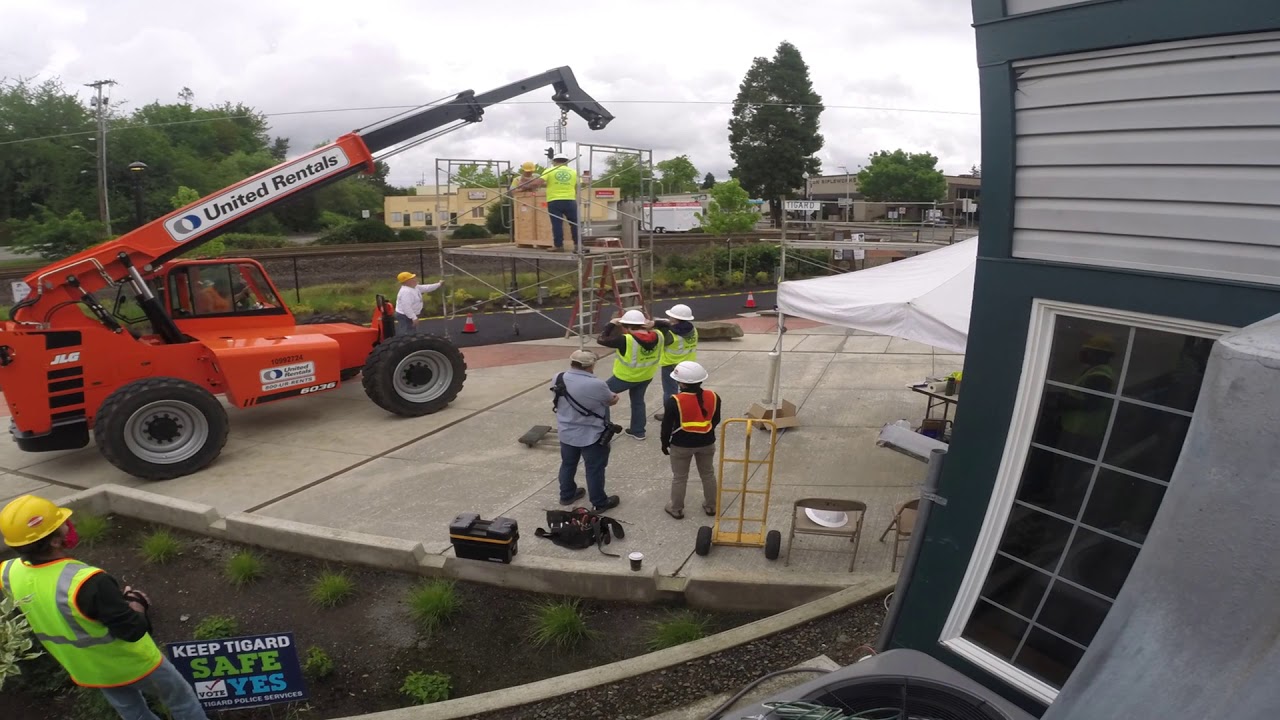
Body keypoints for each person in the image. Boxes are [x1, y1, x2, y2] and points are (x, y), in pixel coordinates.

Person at [0, 495, 209, 720]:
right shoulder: (88, 582)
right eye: (60, 523)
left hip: (90, 669)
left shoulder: (8, 572)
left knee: (133, 713)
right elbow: (134, 630)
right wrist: (136, 601)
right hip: (136, 664)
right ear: (54, 540)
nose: (68, 525)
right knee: (181, 701)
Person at [550, 350, 621, 511]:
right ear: (591, 365)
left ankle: (567, 495)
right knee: (594, 469)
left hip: (566, 432)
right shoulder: (596, 384)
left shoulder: (558, 377)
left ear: (572, 362)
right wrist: (615, 398)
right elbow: (611, 400)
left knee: (568, 464)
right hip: (591, 435)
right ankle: (599, 502)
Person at [659, 361, 722, 519]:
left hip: (681, 445)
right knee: (708, 474)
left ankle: (676, 508)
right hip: (707, 442)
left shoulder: (674, 401)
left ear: (681, 382)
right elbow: (715, 420)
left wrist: (664, 443)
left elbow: (666, 427)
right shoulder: (713, 396)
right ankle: (711, 506)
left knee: (680, 477)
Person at [597, 309, 664, 441]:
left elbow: (602, 339)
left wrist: (611, 324)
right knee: (638, 402)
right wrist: (654, 323)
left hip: (625, 377)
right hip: (646, 376)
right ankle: (638, 431)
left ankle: (604, 431)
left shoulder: (625, 340)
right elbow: (668, 324)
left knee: (601, 397)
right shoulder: (659, 335)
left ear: (625, 327)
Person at [652, 303, 699, 421]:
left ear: (676, 319)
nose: (669, 318)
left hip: (671, 365)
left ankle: (670, 415)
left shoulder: (670, 334)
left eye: (671, 317)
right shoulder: (692, 329)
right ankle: (689, 412)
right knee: (689, 391)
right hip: (688, 365)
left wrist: (657, 324)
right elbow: (673, 326)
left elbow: (660, 338)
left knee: (670, 392)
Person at [540, 151, 579, 252]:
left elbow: (539, 182)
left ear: (554, 161)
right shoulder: (573, 172)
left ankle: (558, 245)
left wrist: (527, 186)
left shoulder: (549, 171)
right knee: (575, 223)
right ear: (566, 162)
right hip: (570, 200)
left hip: (554, 200)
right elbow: (579, 185)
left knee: (557, 223)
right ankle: (578, 245)